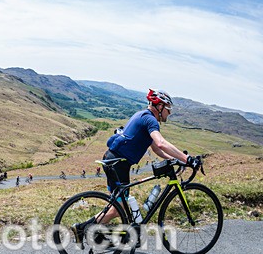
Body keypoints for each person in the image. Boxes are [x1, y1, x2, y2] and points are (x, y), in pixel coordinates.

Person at [74, 89, 202, 232]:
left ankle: (95, 232)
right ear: (160, 107)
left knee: (116, 206)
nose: (169, 113)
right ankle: (83, 229)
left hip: (115, 160)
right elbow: (161, 143)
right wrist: (188, 159)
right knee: (118, 209)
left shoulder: (142, 115)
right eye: (168, 109)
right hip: (119, 164)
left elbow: (156, 149)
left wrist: (176, 159)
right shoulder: (150, 120)